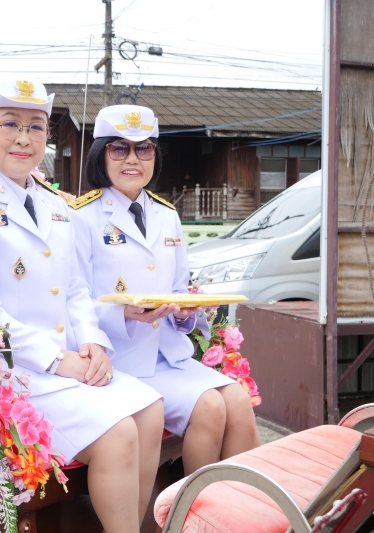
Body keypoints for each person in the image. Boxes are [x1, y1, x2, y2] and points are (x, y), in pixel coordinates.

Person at [0, 81, 164, 532]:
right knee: (119, 433)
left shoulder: (56, 205)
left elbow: (75, 288)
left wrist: (93, 343)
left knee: (150, 410)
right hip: (11, 369)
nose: (24, 138)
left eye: (36, 127)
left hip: (68, 361)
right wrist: (57, 360)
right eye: (10, 124)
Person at [71, 104, 260, 475]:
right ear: (100, 155)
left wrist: (186, 314)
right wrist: (124, 313)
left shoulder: (167, 215)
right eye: (119, 148)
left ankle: (242, 504)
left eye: (144, 148)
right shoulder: (81, 216)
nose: (133, 159)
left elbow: (177, 289)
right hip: (120, 358)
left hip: (169, 355)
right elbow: (72, 299)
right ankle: (190, 507)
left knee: (238, 401)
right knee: (210, 406)